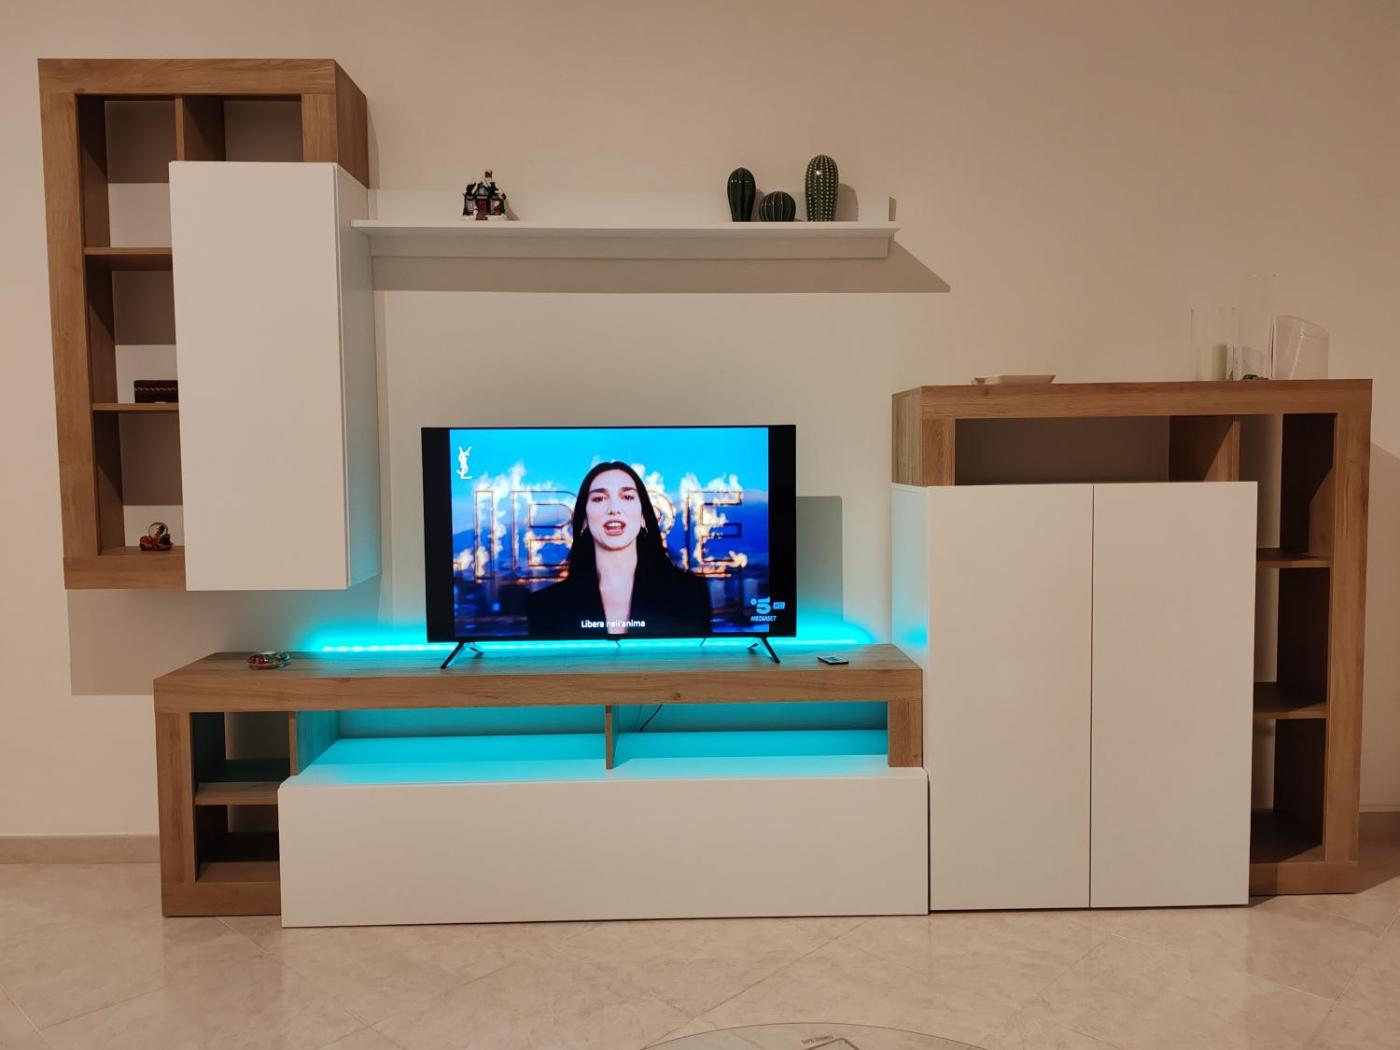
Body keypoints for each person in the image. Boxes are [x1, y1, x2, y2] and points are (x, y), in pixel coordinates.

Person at [527, 461, 712, 637]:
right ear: (584, 519)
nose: (614, 509)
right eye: (599, 499)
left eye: (627, 497)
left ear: (643, 517)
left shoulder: (690, 594)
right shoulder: (545, 606)